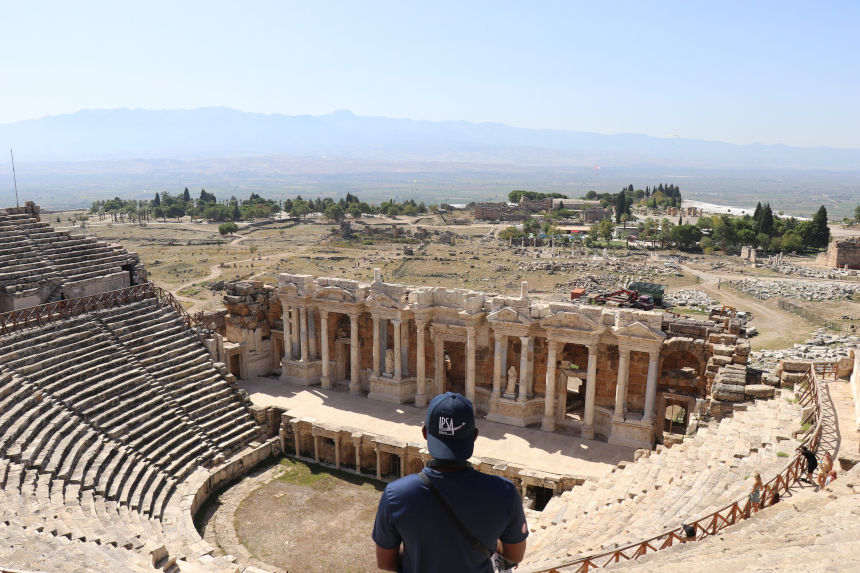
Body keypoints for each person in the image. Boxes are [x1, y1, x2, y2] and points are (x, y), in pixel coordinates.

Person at [373, 392, 528, 573]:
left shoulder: (395, 494)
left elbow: (385, 563)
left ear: (425, 432)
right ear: (475, 436)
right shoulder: (505, 493)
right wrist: (491, 542)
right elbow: (515, 555)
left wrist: (417, 556)